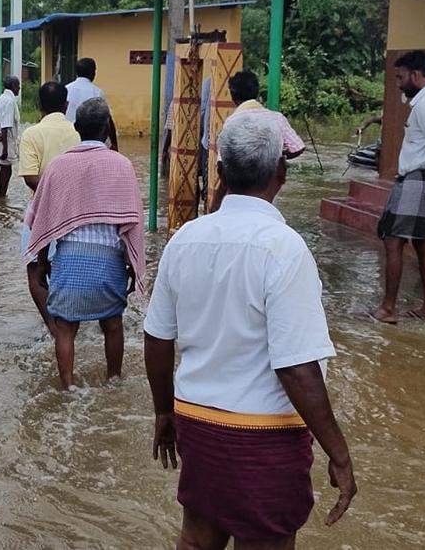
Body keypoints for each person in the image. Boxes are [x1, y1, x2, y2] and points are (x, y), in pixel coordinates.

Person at [144, 111, 355, 547]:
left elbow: (158, 337)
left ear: (218, 170)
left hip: (197, 423)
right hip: (264, 437)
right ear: (280, 171)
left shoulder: (185, 240)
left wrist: (164, 411)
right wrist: (339, 452)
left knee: (198, 538)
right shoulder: (284, 249)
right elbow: (296, 367)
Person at [24, 98, 144, 389]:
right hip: (110, 260)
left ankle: (67, 386)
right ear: (107, 128)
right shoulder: (122, 165)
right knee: (113, 325)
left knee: (65, 328)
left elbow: (44, 218)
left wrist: (41, 263)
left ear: (76, 128)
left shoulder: (58, 166)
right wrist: (132, 264)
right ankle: (113, 382)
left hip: (70, 258)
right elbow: (132, 221)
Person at [371, 50, 425, 324]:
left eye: (400, 77)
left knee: (393, 241)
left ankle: (387, 308)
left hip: (420, 179)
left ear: (415, 75)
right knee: (422, 243)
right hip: (424, 179)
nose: (398, 83)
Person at [18, 81, 82, 335]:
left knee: (35, 272)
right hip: (72, 212)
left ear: (38, 106)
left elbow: (30, 177)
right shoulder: (76, 133)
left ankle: (53, 328)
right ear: (66, 106)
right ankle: (64, 326)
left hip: (41, 210)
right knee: (61, 270)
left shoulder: (32, 134)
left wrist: (52, 190)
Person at [206, 71, 307, 213]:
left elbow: (225, 166)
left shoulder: (232, 122)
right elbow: (298, 147)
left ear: (232, 95)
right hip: (267, 191)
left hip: (238, 196)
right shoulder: (277, 118)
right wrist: (273, 155)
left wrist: (214, 207)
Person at [65, 57, 118, 149]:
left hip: (67, 139)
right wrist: (114, 143)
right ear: (92, 72)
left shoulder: (66, 89)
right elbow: (107, 118)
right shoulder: (97, 92)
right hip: (90, 141)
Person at [0, 76, 22, 197]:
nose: (19, 88)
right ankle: (1, 196)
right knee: (6, 170)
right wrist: (5, 148)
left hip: (0, 139)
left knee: (3, 169)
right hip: (6, 140)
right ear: (13, 86)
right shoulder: (9, 101)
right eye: (18, 85)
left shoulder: (0, 99)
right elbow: (6, 125)